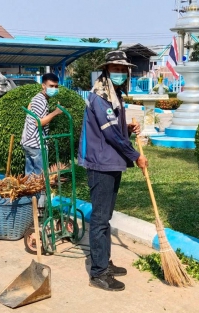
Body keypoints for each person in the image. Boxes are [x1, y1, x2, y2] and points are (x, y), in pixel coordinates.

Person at [78, 51, 148, 291]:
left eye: (122, 69)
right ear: (107, 70)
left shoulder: (113, 94)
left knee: (105, 218)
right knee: (99, 219)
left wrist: (127, 127)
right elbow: (108, 134)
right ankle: (98, 273)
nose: (119, 73)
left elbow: (114, 129)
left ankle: (104, 262)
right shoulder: (99, 97)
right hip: (101, 164)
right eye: (115, 69)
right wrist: (135, 156)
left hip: (111, 162)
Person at [20, 73, 63, 207]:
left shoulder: (36, 99)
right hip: (37, 144)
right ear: (43, 85)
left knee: (30, 176)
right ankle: (40, 208)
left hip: (28, 142)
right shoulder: (40, 100)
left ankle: (28, 204)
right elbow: (39, 122)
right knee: (40, 178)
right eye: (51, 86)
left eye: (56, 86)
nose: (54, 89)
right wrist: (56, 112)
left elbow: (30, 112)